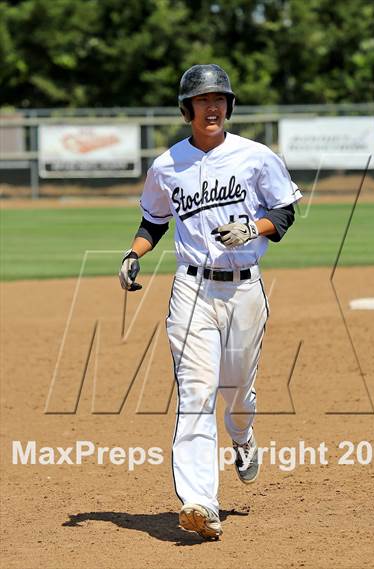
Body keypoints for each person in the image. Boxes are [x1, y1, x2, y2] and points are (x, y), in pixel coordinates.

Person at [119, 64, 302, 540]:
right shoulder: (167, 165)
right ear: (187, 109)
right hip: (192, 288)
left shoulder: (255, 157)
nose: (213, 106)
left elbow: (284, 212)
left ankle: (242, 437)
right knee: (196, 391)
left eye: (220, 98)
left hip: (244, 288)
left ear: (229, 106)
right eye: (203, 100)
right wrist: (134, 254)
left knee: (237, 391)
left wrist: (252, 228)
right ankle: (201, 502)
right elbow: (154, 222)